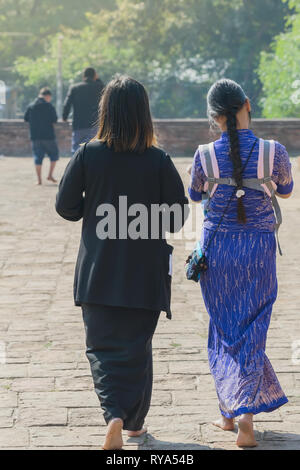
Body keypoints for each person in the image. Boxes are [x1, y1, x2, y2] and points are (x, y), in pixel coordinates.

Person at [56, 75, 189, 450]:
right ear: (144, 114)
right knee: (136, 349)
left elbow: (65, 206)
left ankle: (112, 414)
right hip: (144, 274)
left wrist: (95, 213)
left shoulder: (88, 153)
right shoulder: (158, 160)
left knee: (101, 349)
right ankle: (134, 427)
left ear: (105, 112)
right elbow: (177, 216)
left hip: (99, 270)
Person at [188, 79, 293, 448]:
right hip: (259, 251)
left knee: (223, 329)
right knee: (252, 330)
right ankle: (243, 417)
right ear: (248, 104)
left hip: (217, 254)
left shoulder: (203, 154)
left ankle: (229, 414)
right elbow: (285, 189)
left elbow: (196, 195)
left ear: (213, 116)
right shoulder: (273, 150)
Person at [62, 67, 104, 153]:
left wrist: (64, 117)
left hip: (79, 124)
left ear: (83, 76)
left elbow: (67, 104)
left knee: (76, 150)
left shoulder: (75, 88)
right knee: (94, 149)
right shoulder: (100, 87)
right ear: (95, 76)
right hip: (94, 124)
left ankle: (76, 165)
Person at [24, 87, 59, 185]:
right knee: (54, 155)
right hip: (49, 136)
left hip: (35, 136)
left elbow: (26, 119)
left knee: (37, 157)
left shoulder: (31, 106)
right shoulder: (49, 106)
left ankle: (39, 180)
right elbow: (55, 120)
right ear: (47, 96)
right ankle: (50, 175)